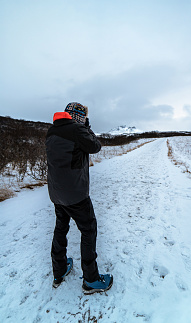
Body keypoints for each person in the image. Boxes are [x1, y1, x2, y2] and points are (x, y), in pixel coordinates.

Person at [46, 102, 113, 294]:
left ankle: (59, 270)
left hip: (56, 193)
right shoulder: (78, 130)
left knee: (61, 228)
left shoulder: (52, 131)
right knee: (88, 230)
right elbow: (96, 146)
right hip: (75, 194)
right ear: (81, 116)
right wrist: (86, 128)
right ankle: (91, 279)